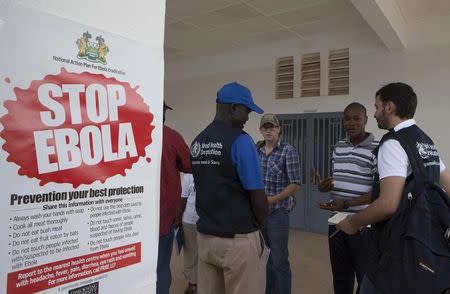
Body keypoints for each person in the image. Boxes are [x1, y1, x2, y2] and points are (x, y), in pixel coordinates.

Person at [337, 83, 450, 293]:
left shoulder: (393, 143)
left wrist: (352, 222)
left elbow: (388, 204)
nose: (375, 113)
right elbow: (447, 183)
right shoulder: (425, 140)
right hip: (423, 237)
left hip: (397, 244)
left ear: (389, 107)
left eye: (377, 106)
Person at [191, 81, 269, 294]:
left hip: (206, 239)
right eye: (246, 111)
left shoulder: (198, 142)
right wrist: (260, 224)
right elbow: (257, 195)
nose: (247, 118)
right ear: (233, 108)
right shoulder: (241, 141)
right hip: (237, 240)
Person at [316, 103, 378, 294]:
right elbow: (341, 178)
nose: (351, 123)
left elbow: (379, 191)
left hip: (363, 222)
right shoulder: (339, 147)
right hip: (336, 221)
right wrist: (325, 186)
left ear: (366, 120)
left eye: (356, 118)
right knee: (340, 275)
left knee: (364, 275)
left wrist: (347, 203)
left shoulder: (378, 148)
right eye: (347, 118)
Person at [257, 113, 300, 294]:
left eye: (272, 127)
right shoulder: (255, 150)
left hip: (277, 214)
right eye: (265, 127)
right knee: (264, 258)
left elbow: (295, 183)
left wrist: (272, 200)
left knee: (279, 260)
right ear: (261, 130)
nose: (268, 130)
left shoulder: (288, 151)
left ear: (279, 129)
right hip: (259, 214)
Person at [157, 102, 192, 294]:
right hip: (163, 217)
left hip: (131, 220)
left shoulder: (129, 133)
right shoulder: (170, 136)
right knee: (161, 267)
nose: (164, 115)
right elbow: (189, 165)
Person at [178, 173, 199, 294]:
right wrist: (179, 219)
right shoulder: (188, 175)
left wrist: (178, 219)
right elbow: (183, 198)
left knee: (193, 254)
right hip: (191, 221)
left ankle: (194, 284)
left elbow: (183, 198)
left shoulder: (189, 175)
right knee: (192, 253)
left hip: (203, 221)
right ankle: (193, 284)